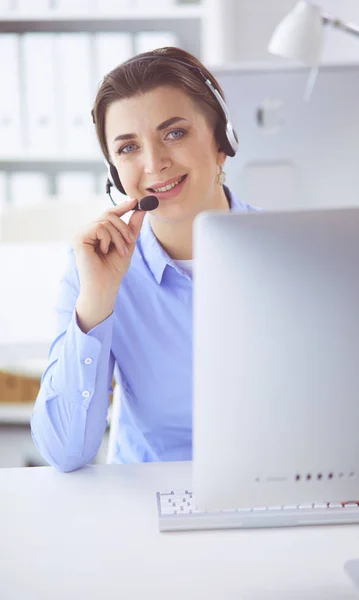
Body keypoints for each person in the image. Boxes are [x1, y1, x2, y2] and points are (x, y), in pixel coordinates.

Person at [31, 46, 257, 472]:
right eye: (129, 147)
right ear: (115, 172)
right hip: (151, 506)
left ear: (222, 142)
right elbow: (64, 451)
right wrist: (97, 301)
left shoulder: (291, 254)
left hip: (281, 495)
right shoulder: (94, 268)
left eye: (174, 133)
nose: (154, 164)